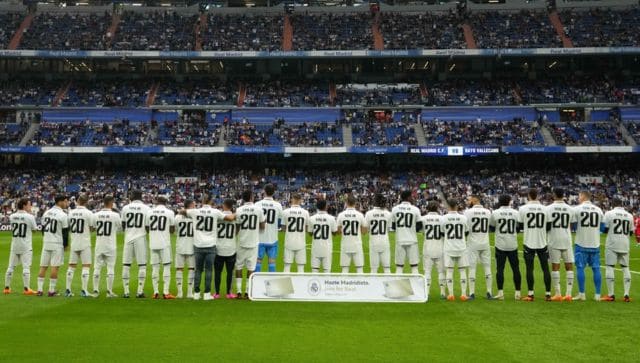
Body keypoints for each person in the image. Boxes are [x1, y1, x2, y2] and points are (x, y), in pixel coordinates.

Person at [186, 194, 235, 301]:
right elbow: (230, 218)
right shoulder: (215, 212)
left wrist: (182, 210)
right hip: (211, 245)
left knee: (198, 270)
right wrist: (239, 212)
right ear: (211, 201)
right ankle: (207, 294)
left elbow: (183, 211)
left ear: (203, 200)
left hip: (198, 245)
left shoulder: (195, 211)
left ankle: (196, 293)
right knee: (209, 270)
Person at [518, 188, 551, 302]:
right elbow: (548, 227)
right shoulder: (545, 209)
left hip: (529, 241)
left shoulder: (523, 208)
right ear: (538, 195)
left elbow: (520, 226)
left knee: (529, 268)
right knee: (545, 268)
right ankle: (548, 294)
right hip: (542, 242)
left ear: (528, 196)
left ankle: (531, 294)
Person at [572, 190, 604, 301]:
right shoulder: (598, 210)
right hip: (595, 244)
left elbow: (572, 224)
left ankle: (582, 294)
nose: (578, 198)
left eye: (579, 196)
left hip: (581, 243)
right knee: (596, 269)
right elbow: (603, 228)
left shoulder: (576, 209)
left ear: (582, 196)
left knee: (580, 267)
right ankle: (597, 295)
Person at [234, 190, 266, 299]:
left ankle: (238, 292)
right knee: (251, 268)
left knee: (238, 266)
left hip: (242, 241)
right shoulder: (258, 209)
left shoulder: (239, 210)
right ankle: (248, 292)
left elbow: (237, 227)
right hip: (253, 242)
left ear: (243, 198)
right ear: (252, 197)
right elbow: (262, 226)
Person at [545, 188, 575, 302]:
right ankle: (568, 294)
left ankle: (558, 294)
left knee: (555, 266)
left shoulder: (548, 209)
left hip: (553, 239)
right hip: (566, 239)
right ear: (563, 195)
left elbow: (547, 226)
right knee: (569, 266)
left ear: (553, 195)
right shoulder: (570, 209)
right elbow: (571, 223)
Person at [601, 199, 634, 302]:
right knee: (625, 267)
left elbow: (605, 230)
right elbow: (631, 232)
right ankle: (626, 295)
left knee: (610, 267)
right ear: (622, 205)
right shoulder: (629, 215)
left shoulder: (609, 213)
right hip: (625, 243)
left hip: (612, 243)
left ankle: (611, 295)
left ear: (613, 204)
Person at [490, 195, 522, 301]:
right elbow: (519, 227)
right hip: (512, 244)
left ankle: (500, 293)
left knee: (500, 269)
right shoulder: (516, 213)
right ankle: (517, 293)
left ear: (499, 201)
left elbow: (492, 227)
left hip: (500, 244)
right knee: (516, 269)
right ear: (509, 201)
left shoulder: (495, 213)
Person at [4, 198, 38, 295]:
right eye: (29, 204)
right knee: (26, 267)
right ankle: (27, 289)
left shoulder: (12, 216)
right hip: (25, 245)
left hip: (15, 244)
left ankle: (6, 288)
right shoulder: (30, 217)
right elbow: (35, 230)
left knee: (10, 267)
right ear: (24, 205)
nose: (30, 206)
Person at [37, 195, 69, 297]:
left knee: (43, 266)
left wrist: (46, 237)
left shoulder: (46, 212)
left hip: (46, 242)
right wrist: (66, 245)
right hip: (57, 243)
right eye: (65, 201)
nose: (66, 203)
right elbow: (65, 232)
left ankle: (39, 290)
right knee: (55, 267)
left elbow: (42, 228)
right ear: (60, 202)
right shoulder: (63, 215)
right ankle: (51, 291)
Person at [121, 190, 151, 298]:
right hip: (141, 237)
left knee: (126, 265)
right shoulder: (147, 208)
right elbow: (148, 226)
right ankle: (139, 291)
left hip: (128, 238)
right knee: (142, 265)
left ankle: (126, 292)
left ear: (132, 196)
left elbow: (123, 224)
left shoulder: (125, 208)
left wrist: (130, 231)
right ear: (141, 197)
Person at [464, 194, 494, 300]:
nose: (468, 202)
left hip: (473, 242)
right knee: (487, 267)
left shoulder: (468, 212)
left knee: (472, 267)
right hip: (485, 242)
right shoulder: (488, 211)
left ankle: (472, 293)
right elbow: (490, 226)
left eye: (469, 200)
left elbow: (465, 228)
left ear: (473, 201)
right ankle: (489, 292)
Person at [146, 196, 176, 299]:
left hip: (153, 242)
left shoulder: (149, 212)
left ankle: (155, 292)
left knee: (155, 267)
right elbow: (172, 230)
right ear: (166, 203)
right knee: (166, 266)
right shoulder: (170, 212)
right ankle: (166, 292)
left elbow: (147, 228)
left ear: (156, 202)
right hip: (165, 243)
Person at [92, 195, 122, 298]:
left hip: (99, 244)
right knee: (110, 268)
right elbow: (120, 228)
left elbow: (93, 228)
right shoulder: (115, 215)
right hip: (110, 245)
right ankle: (109, 292)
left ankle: (95, 291)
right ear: (111, 203)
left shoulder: (95, 215)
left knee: (97, 267)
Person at [65, 194, 95, 297]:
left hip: (74, 241)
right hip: (85, 241)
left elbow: (68, 226)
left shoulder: (71, 213)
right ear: (86, 202)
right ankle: (84, 290)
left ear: (77, 201)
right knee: (86, 266)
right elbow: (92, 228)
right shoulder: (89, 213)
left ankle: (68, 290)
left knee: (71, 266)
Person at [441, 198, 469, 301]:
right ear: (457, 206)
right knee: (462, 270)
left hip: (449, 247)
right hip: (461, 247)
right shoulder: (463, 218)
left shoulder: (443, 218)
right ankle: (463, 294)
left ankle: (451, 294)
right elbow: (466, 232)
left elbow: (442, 233)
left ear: (448, 207)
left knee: (449, 271)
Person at [391, 190, 422, 274]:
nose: (413, 198)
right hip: (412, 240)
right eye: (412, 196)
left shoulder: (395, 209)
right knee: (414, 266)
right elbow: (419, 226)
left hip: (400, 240)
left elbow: (393, 226)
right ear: (408, 197)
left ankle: (398, 287)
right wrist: (411, 229)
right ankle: (416, 286)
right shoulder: (415, 209)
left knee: (399, 266)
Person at [255, 184, 283, 272]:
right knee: (272, 261)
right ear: (273, 192)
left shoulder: (257, 204)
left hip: (260, 238)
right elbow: (279, 222)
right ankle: (271, 284)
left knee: (258, 261)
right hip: (273, 238)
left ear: (264, 191)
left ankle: (256, 283)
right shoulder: (278, 205)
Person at [421, 201, 445, 300]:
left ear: (427, 208)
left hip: (428, 247)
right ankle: (443, 293)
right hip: (440, 247)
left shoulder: (423, 219)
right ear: (437, 208)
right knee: (441, 272)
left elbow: (422, 232)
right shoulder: (442, 219)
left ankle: (427, 293)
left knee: (427, 271)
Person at [337, 195, 366, 274]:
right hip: (357, 244)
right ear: (355, 203)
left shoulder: (341, 215)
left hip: (345, 244)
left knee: (344, 269)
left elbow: (338, 231)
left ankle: (345, 286)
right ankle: (361, 286)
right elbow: (364, 231)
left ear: (346, 203)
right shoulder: (360, 215)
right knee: (360, 269)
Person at [215, 199, 237, 299]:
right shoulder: (235, 216)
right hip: (231, 247)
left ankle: (217, 293)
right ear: (232, 206)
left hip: (219, 247)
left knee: (217, 272)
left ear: (223, 205)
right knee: (230, 272)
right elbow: (237, 230)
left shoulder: (218, 216)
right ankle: (229, 293)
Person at [364, 194, 392, 274]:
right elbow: (388, 229)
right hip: (384, 242)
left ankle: (373, 286)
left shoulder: (369, 214)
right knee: (387, 268)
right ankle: (388, 286)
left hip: (373, 243)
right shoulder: (388, 214)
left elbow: (366, 229)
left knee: (373, 269)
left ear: (375, 201)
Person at [308, 199, 338, 273]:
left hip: (316, 248)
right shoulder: (331, 218)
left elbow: (310, 233)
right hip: (327, 248)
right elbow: (334, 233)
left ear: (317, 207)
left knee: (314, 271)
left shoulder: (311, 218)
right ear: (326, 206)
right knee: (327, 272)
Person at [282, 194, 310, 273]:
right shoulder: (305, 212)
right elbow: (307, 228)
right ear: (300, 200)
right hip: (301, 242)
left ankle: (286, 285)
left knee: (287, 266)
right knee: (301, 266)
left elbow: (283, 228)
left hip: (289, 242)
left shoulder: (285, 212)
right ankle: (300, 285)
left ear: (292, 199)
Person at [175, 200, 195, 299]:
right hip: (192, 245)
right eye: (194, 205)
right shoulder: (195, 217)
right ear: (190, 206)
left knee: (179, 268)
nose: (195, 207)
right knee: (191, 268)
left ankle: (179, 293)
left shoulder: (178, 217)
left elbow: (174, 230)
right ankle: (190, 292)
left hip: (180, 244)